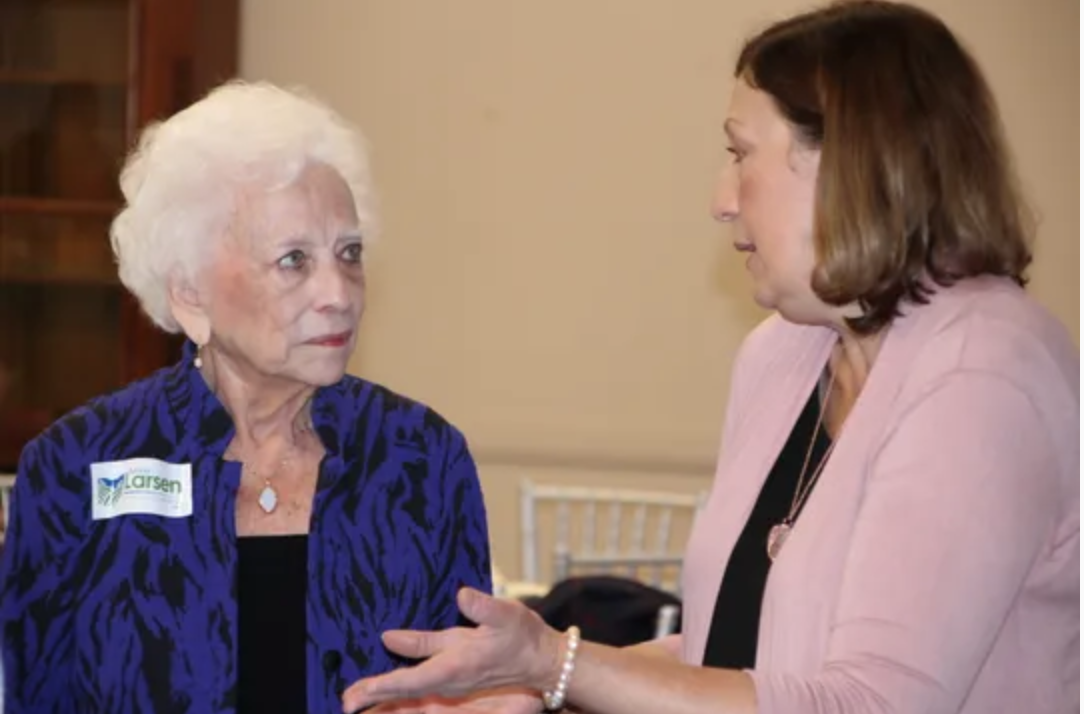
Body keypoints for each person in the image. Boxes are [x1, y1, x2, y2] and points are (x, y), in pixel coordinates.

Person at [341, 2, 1079, 713]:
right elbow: (731, 657)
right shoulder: (784, 356)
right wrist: (527, 687)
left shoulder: (981, 379)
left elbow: (866, 704)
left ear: (850, 164)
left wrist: (557, 663)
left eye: (740, 153)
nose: (721, 199)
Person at [0, 80, 492, 714]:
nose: (338, 292)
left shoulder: (421, 458)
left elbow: (471, 690)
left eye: (349, 254)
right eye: (293, 259)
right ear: (190, 292)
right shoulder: (75, 468)